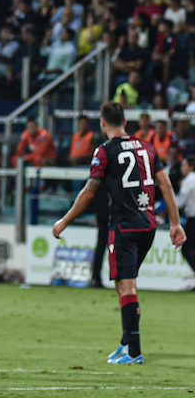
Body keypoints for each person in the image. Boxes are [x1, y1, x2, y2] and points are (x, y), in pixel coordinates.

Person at [52, 101, 186, 365]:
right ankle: (126, 342)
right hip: (147, 225)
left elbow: (89, 191)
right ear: (124, 121)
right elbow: (166, 186)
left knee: (126, 286)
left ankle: (134, 352)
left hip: (124, 226)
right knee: (123, 283)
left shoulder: (104, 151)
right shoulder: (147, 147)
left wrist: (64, 221)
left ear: (103, 123)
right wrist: (175, 223)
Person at [175, 156, 195, 290]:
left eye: (184, 165)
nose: (182, 168)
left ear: (190, 166)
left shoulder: (189, 181)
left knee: (186, 249)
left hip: (193, 219)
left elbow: (180, 202)